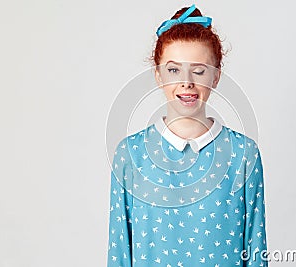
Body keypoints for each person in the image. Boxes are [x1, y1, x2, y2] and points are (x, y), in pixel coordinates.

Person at [107, 4, 268, 267]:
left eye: (199, 70)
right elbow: (119, 253)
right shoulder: (131, 155)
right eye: (173, 70)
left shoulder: (243, 154)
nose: (187, 82)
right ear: (158, 75)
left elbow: (256, 248)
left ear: (216, 76)